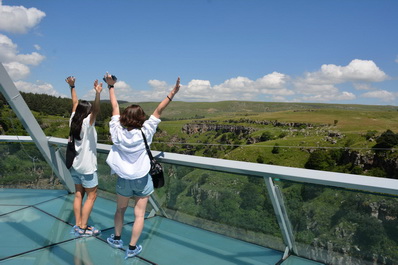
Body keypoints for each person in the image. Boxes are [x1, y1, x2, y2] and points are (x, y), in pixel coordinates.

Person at [104, 73, 180, 259]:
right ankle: (131, 248)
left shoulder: (116, 132)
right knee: (139, 215)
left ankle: (116, 238)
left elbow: (114, 106)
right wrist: (173, 92)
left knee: (120, 210)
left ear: (124, 117)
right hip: (142, 179)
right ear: (141, 118)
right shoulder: (146, 131)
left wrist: (111, 86)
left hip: (124, 180)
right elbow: (159, 110)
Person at [66, 76, 102, 237]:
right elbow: (96, 110)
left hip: (75, 165)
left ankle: (77, 224)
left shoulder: (73, 120)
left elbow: (75, 104)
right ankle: (83, 227)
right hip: (87, 167)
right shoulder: (88, 123)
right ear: (87, 113)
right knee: (92, 196)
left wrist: (72, 87)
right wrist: (98, 94)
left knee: (78, 194)